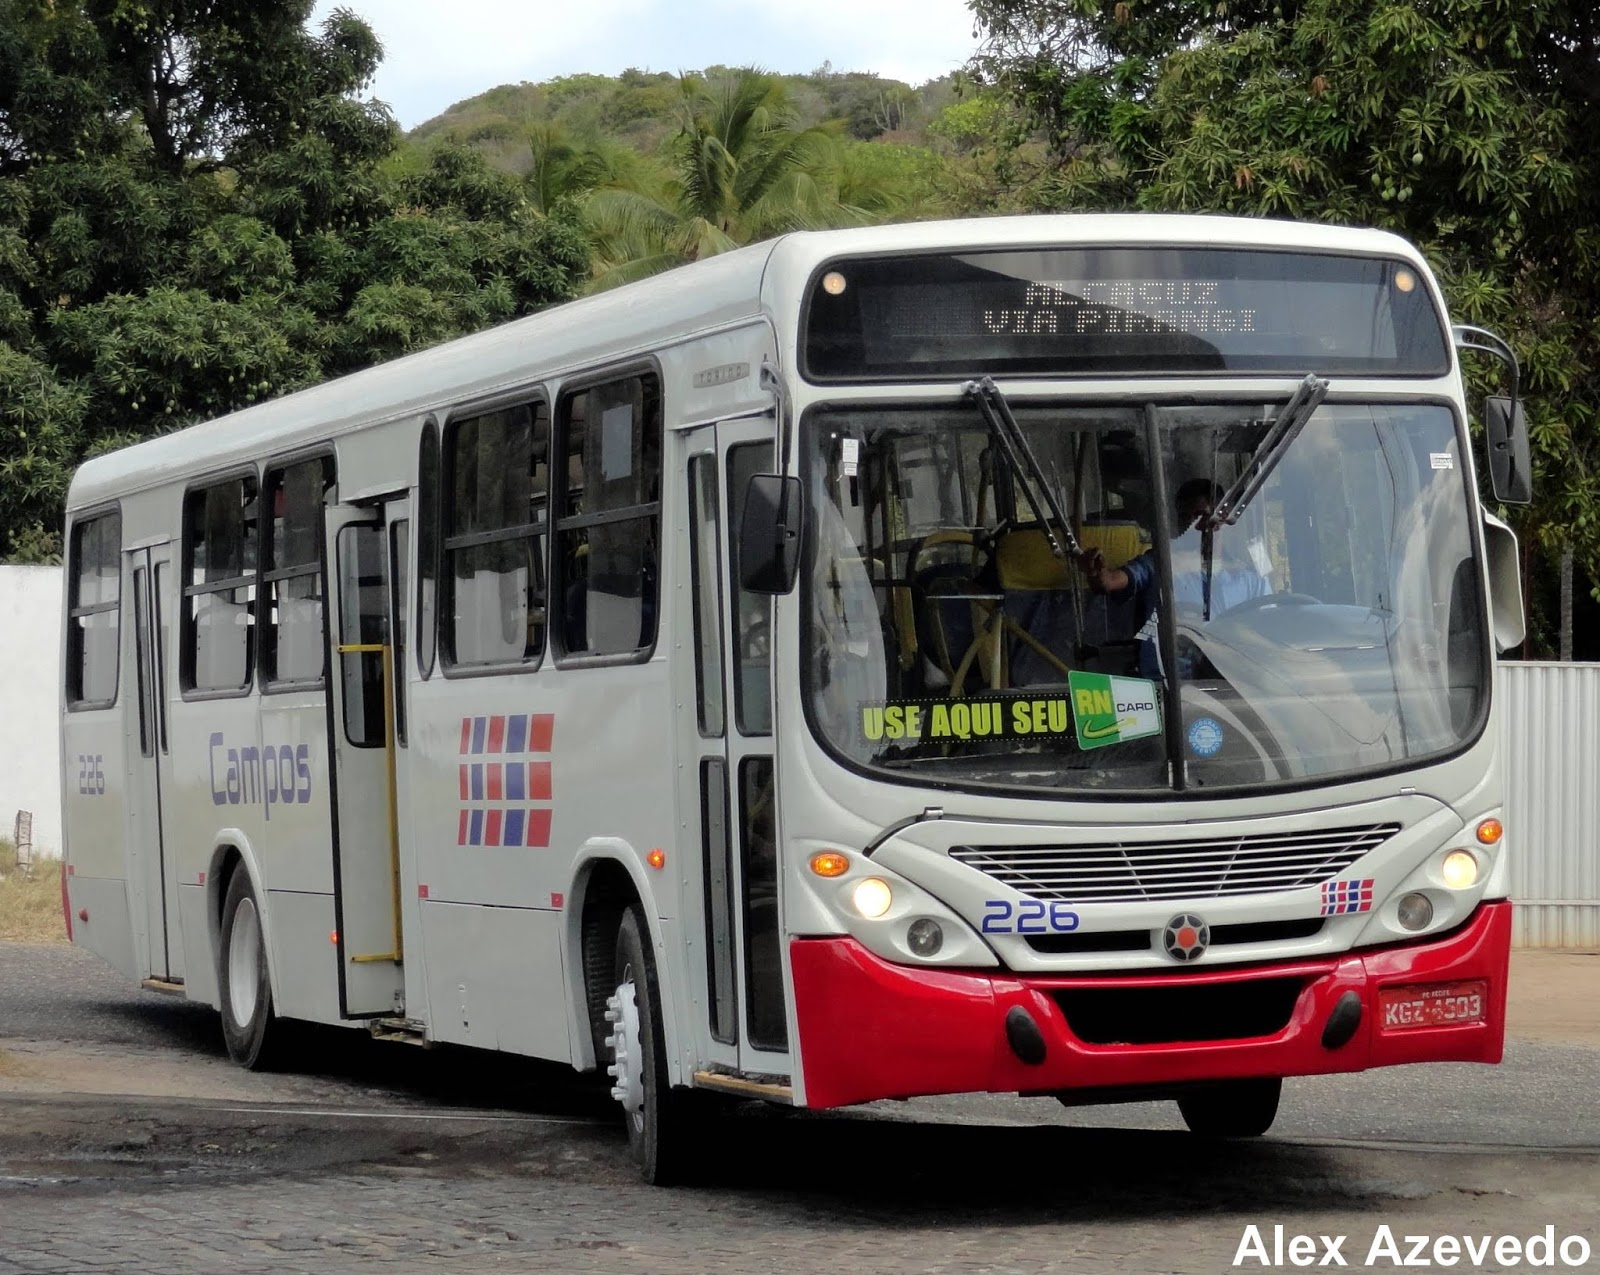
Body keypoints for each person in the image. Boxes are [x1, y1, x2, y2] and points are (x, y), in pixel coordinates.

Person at [1082, 478, 1271, 678]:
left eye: (1199, 515)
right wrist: (1097, 574)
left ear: (1222, 518)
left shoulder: (1250, 577)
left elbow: (1270, 631)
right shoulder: (1160, 563)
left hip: (1234, 686)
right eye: (1184, 517)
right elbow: (1111, 581)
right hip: (1169, 688)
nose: (1190, 524)